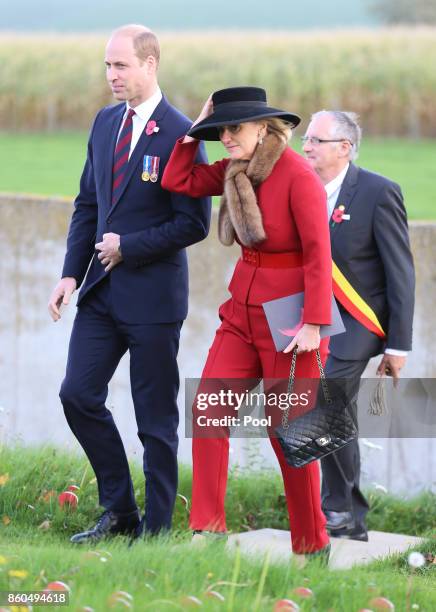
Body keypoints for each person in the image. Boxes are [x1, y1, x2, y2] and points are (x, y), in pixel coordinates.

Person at [47, 24, 211, 543]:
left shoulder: (183, 132)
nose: (111, 75)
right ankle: (119, 510)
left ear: (150, 64)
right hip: (100, 293)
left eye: (121, 66)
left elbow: (195, 223)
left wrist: (129, 247)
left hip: (154, 301)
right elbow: (88, 204)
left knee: (154, 421)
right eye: (107, 66)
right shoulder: (103, 123)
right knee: (77, 394)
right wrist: (71, 271)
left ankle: (158, 531)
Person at [162, 86, 333, 562]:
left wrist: (315, 324)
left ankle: (312, 543)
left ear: (264, 128)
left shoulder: (298, 176)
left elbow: (320, 253)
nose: (226, 138)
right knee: (209, 409)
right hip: (240, 311)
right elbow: (179, 179)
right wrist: (194, 131)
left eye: (234, 128)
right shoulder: (235, 169)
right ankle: (208, 532)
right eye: (221, 130)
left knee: (291, 433)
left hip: (292, 319)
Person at [302, 110, 415, 541]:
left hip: (358, 318)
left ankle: (341, 509)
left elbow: (400, 271)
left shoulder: (378, 191)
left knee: (326, 395)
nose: (306, 146)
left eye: (316, 140)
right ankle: (342, 510)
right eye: (306, 139)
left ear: (344, 148)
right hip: (309, 313)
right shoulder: (300, 186)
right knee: (324, 405)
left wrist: (398, 346)